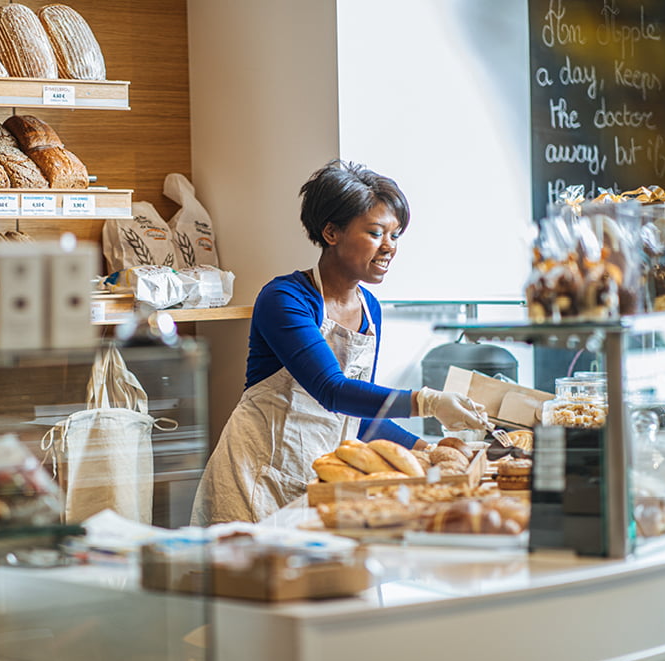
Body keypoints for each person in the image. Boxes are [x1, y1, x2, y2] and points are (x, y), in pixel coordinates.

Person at [190, 159, 491, 525]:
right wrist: (427, 401)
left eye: (395, 235)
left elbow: (358, 415)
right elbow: (332, 390)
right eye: (376, 233)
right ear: (331, 233)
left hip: (324, 481)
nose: (389, 247)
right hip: (256, 478)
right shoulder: (285, 299)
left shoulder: (370, 309)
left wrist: (432, 451)